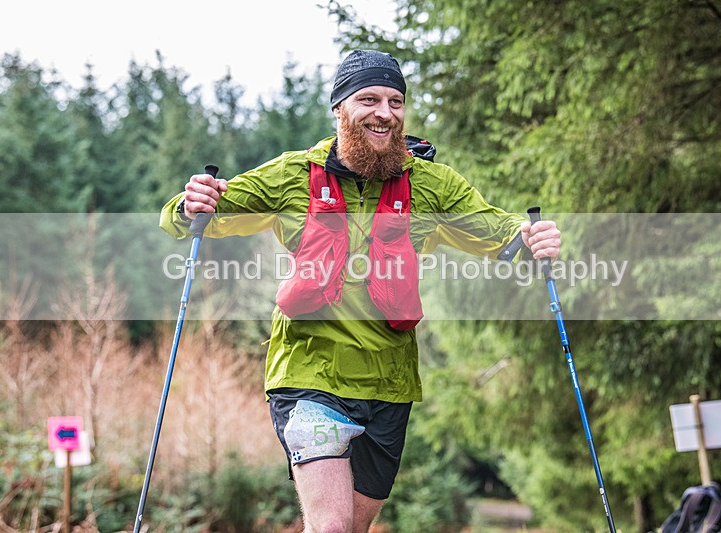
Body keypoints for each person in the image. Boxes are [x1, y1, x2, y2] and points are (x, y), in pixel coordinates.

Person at [160, 50, 560, 533]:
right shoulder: (293, 176)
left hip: (389, 385)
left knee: (350, 528)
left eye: (395, 101)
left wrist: (532, 238)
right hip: (310, 375)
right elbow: (200, 214)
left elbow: (498, 232)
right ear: (340, 109)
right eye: (368, 99)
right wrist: (191, 204)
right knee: (331, 526)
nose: (384, 113)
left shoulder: (431, 186)